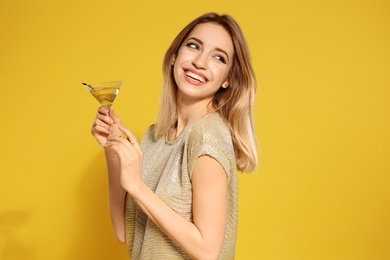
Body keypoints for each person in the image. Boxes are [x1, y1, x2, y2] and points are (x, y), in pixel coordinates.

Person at [90, 12, 258, 260]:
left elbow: (208, 250)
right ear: (174, 56)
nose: (200, 62)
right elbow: (123, 232)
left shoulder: (207, 137)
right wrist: (112, 150)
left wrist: (137, 186)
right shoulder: (154, 137)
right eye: (193, 46)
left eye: (218, 57)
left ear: (228, 80)